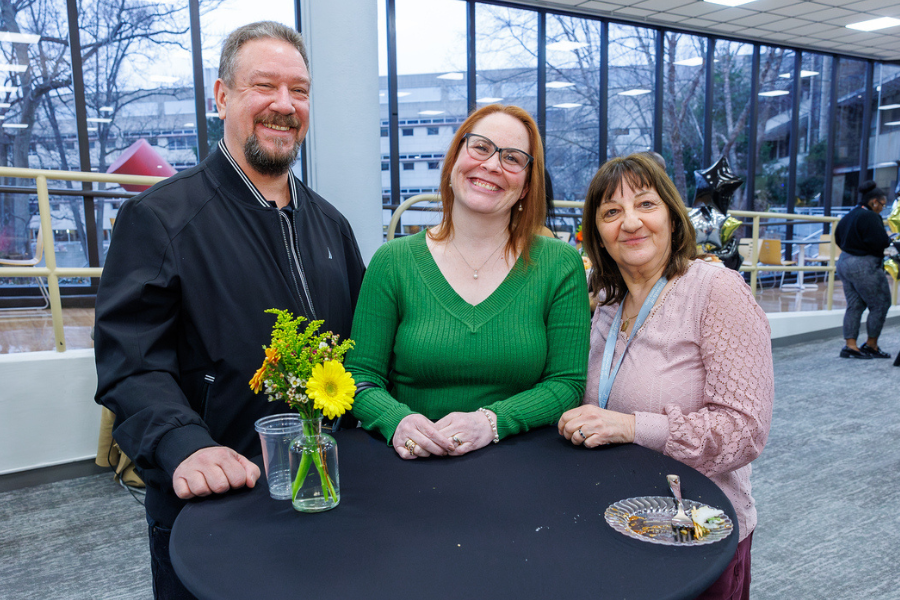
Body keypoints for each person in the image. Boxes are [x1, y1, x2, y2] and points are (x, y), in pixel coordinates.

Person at [93, 21, 365, 598]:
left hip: (323, 492)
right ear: (222, 97)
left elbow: (358, 353)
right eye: (264, 86)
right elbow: (131, 363)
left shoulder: (332, 226)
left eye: (300, 90)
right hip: (215, 499)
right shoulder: (160, 219)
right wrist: (184, 445)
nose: (284, 105)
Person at [558, 153, 773, 600]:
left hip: (698, 532)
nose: (630, 222)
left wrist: (633, 426)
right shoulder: (603, 304)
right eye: (611, 212)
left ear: (673, 218)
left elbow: (744, 432)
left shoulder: (715, 290)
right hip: (616, 524)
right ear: (597, 233)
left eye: (645, 205)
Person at [347, 104, 589, 459]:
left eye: (512, 158)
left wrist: (491, 421)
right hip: (412, 461)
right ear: (453, 161)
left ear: (525, 187)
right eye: (480, 147)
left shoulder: (560, 264)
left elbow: (566, 385)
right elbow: (360, 376)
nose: (491, 165)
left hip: (523, 463)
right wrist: (396, 420)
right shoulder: (392, 262)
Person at [835, 181, 892, 359]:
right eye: (882, 204)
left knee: (855, 305)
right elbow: (881, 242)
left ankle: (850, 346)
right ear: (874, 201)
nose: (882, 208)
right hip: (864, 265)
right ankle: (871, 345)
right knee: (880, 303)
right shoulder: (870, 217)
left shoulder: (850, 214)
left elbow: (838, 237)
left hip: (844, 261)